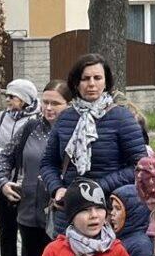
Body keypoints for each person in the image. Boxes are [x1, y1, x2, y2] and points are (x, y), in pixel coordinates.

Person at [40, 53, 148, 230]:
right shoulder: (66, 117)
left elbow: (139, 166)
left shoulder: (122, 117)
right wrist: (57, 189)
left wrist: (97, 187)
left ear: (106, 82)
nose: (91, 84)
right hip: (69, 212)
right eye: (85, 78)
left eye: (97, 78)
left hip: (107, 211)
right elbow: (48, 163)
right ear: (76, 83)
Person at [0, 81, 68, 256]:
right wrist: (4, 182)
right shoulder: (31, 127)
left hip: (61, 217)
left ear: (69, 105)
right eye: (46, 102)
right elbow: (5, 157)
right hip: (29, 213)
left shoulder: (75, 131)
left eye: (56, 104)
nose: (49, 108)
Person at [0, 80, 40, 256]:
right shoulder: (2, 117)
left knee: (28, 229)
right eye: (7, 96)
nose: (7, 100)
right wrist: (6, 155)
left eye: (12, 96)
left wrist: (19, 158)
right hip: (4, 179)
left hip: (27, 182)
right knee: (6, 228)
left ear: (25, 99)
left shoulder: (36, 119)